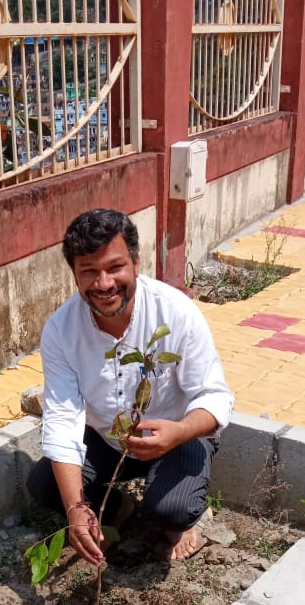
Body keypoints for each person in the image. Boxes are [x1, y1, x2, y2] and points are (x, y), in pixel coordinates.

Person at [27, 208, 233, 564]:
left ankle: (183, 520)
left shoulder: (175, 313)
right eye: (89, 271)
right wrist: (77, 509)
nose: (104, 283)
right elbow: (62, 419)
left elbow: (215, 396)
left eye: (114, 267)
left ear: (136, 263)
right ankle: (120, 511)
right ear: (74, 275)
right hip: (109, 440)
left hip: (175, 435)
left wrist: (179, 431)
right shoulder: (61, 330)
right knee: (45, 485)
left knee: (173, 509)